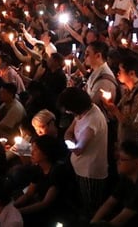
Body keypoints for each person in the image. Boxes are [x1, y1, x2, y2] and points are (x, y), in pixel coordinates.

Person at [59, 86, 109, 214]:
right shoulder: (84, 112)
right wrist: (69, 141)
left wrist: (70, 143)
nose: (68, 112)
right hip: (81, 167)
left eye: (69, 110)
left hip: (90, 172)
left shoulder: (92, 121)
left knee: (91, 206)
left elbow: (78, 149)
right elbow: (68, 132)